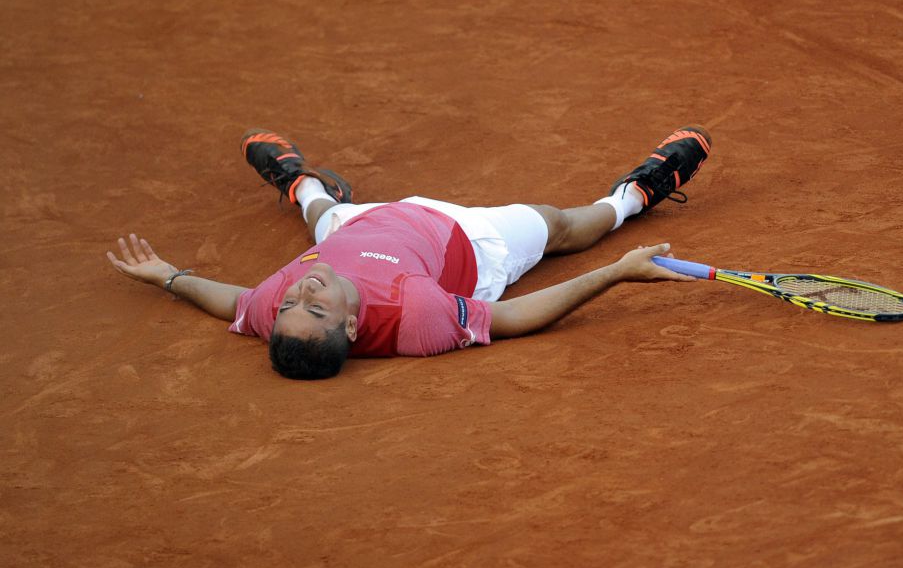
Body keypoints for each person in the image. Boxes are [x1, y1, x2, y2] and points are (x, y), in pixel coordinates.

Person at [106, 125, 712, 379]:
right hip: (466, 239)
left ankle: (303, 184)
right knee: (561, 227)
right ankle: (637, 193)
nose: (303, 291)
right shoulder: (413, 318)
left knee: (324, 218)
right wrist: (615, 274)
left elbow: (232, 299)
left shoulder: (280, 313)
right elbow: (513, 318)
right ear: (349, 322)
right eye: (315, 307)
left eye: (293, 299)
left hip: (363, 224)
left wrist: (169, 276)